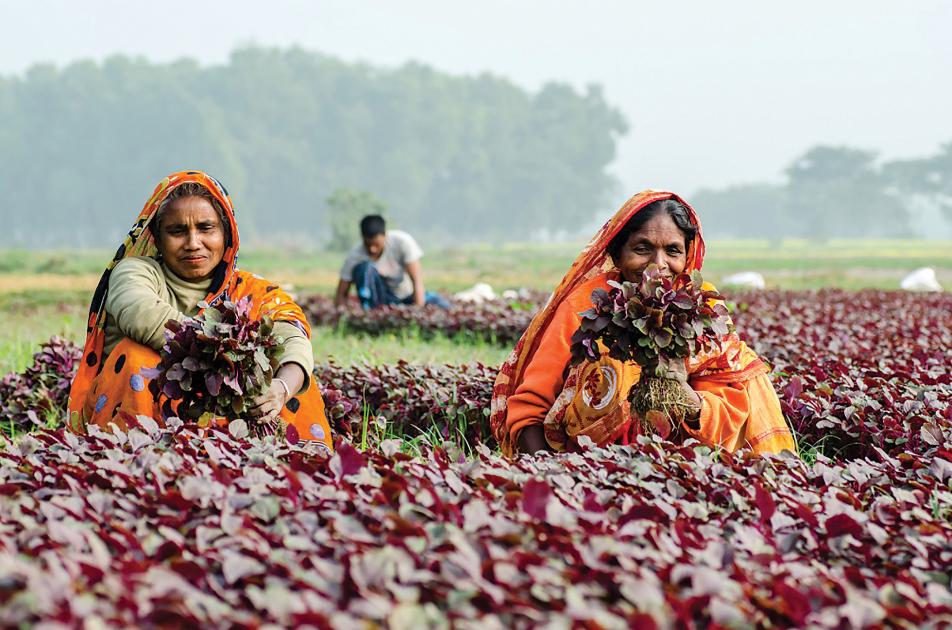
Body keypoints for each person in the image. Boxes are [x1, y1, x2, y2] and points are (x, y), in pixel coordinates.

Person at [490, 190, 797, 458]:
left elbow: (727, 404)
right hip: (591, 464)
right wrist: (552, 475)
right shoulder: (585, 306)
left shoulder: (704, 309)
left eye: (673, 250)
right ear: (617, 254)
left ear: (687, 255)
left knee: (747, 375)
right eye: (642, 248)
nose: (658, 264)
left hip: (689, 469)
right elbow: (531, 405)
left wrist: (684, 397)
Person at [67, 171, 334, 453]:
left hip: (228, 424)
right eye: (177, 231)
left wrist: (280, 387)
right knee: (136, 356)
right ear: (156, 238)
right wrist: (227, 357)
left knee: (289, 375)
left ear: (226, 234)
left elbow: (291, 337)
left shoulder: (249, 290)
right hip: (144, 417)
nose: (193, 242)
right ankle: (132, 456)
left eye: (206, 228)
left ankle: (300, 460)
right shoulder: (137, 271)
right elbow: (139, 312)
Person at [334, 215, 450, 309]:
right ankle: (371, 310)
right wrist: (342, 315)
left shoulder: (402, 242)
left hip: (407, 295)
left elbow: (417, 280)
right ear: (362, 238)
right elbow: (341, 293)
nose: (372, 249)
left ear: (385, 235)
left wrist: (417, 310)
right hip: (381, 300)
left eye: (376, 244)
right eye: (368, 244)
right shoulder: (355, 255)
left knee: (442, 305)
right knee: (364, 267)